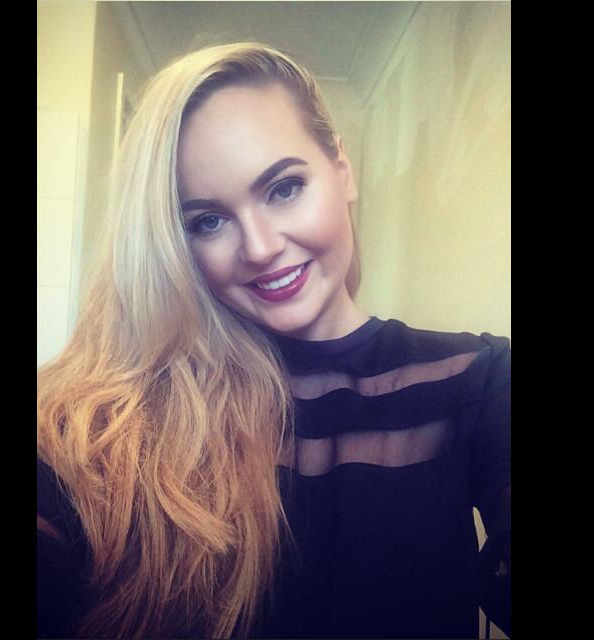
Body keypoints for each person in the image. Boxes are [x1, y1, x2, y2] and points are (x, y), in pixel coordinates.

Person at [37, 42, 511, 639]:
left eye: (284, 188)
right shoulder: (123, 412)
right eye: (208, 220)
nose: (260, 248)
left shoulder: (480, 378)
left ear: (342, 171)